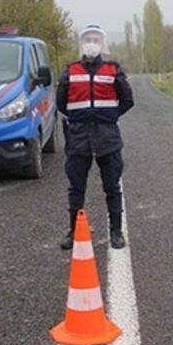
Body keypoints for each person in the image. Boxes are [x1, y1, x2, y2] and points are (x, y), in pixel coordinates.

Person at [56, 24, 134, 250]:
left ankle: (116, 231)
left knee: (112, 186)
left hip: (107, 137)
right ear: (81, 44)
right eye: (87, 39)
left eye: (95, 39)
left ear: (102, 43)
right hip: (78, 137)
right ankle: (73, 231)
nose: (91, 43)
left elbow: (127, 100)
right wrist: (80, 118)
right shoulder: (69, 71)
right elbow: (62, 103)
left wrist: (109, 117)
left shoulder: (113, 70)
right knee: (76, 188)